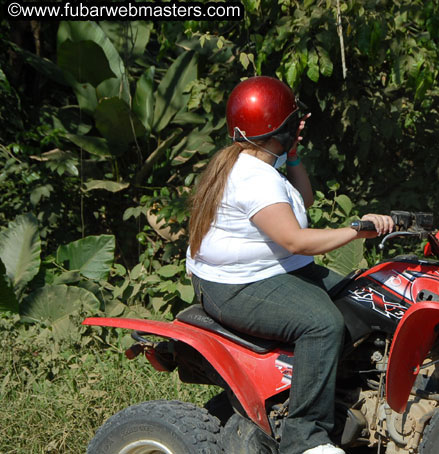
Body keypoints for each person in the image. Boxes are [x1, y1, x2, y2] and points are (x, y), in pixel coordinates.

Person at [186, 76, 393, 454]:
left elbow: (305, 200)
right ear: (279, 129)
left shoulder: (256, 160)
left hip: (275, 268)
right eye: (293, 123)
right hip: (235, 285)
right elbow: (296, 239)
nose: (298, 127)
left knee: (365, 299)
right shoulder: (253, 179)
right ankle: (305, 438)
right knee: (322, 323)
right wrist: (355, 229)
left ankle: (344, 395)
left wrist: (293, 153)